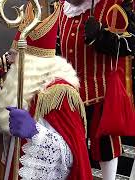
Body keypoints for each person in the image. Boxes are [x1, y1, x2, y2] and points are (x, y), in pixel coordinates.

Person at [0, 2, 92, 179]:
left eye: (13, 55)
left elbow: (72, 157)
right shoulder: (21, 87)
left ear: (31, 61)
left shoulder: (60, 92)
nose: (9, 60)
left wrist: (35, 132)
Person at [59, 0, 135, 179]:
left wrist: (101, 34)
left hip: (101, 92)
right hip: (69, 92)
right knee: (71, 143)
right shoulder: (61, 8)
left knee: (105, 145)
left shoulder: (114, 4)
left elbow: (131, 44)